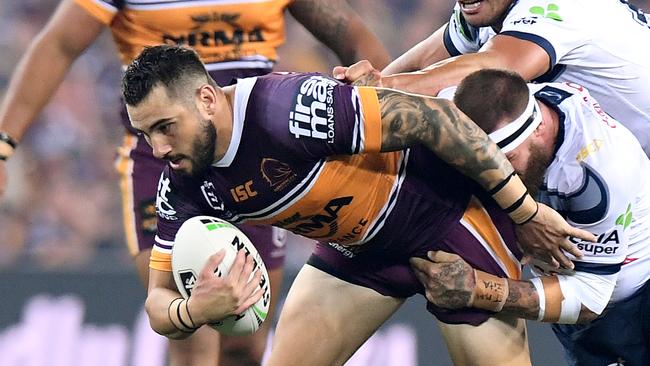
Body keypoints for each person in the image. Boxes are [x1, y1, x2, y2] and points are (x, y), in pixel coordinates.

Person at [122, 45, 595, 366]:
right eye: (145, 133)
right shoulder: (182, 183)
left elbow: (438, 120)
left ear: (207, 99)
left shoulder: (288, 109)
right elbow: (157, 304)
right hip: (359, 253)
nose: (158, 147)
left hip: (450, 222)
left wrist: (524, 212)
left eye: (165, 126)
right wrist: (195, 310)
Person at [0, 1, 390, 365]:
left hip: (256, 152)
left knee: (246, 335)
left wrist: (390, 112)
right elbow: (60, 44)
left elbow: (350, 33)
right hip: (164, 160)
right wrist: (3, 143)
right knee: (195, 335)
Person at [410, 69, 650, 365]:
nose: (498, 180)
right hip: (569, 304)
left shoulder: (599, 171)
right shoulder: (479, 109)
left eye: (507, 161)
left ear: (538, 128)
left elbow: (590, 299)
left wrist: (477, 289)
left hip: (630, 310)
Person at [336, 0, 650, 158]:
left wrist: (381, 88)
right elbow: (421, 64)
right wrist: (347, 95)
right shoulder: (486, 11)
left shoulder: (560, 7)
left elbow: (499, 68)